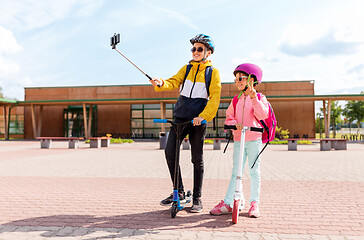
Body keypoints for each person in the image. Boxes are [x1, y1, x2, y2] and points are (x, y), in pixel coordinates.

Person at [150, 34, 221, 213]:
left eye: (199, 49)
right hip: (180, 118)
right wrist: (160, 83)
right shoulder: (187, 68)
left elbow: (215, 98)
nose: (195, 52)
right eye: (193, 49)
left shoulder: (212, 72)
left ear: (208, 53)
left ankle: (197, 197)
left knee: (197, 159)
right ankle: (179, 192)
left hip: (197, 121)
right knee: (170, 152)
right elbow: (173, 82)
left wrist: (203, 116)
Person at [209, 63, 269, 218]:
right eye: (235, 79)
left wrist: (253, 97)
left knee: (254, 172)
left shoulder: (260, 97)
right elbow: (229, 119)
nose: (237, 81)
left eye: (241, 78)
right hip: (238, 140)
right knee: (236, 172)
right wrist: (234, 124)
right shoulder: (235, 100)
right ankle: (229, 203)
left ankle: (254, 203)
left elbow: (263, 115)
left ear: (251, 79)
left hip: (254, 139)